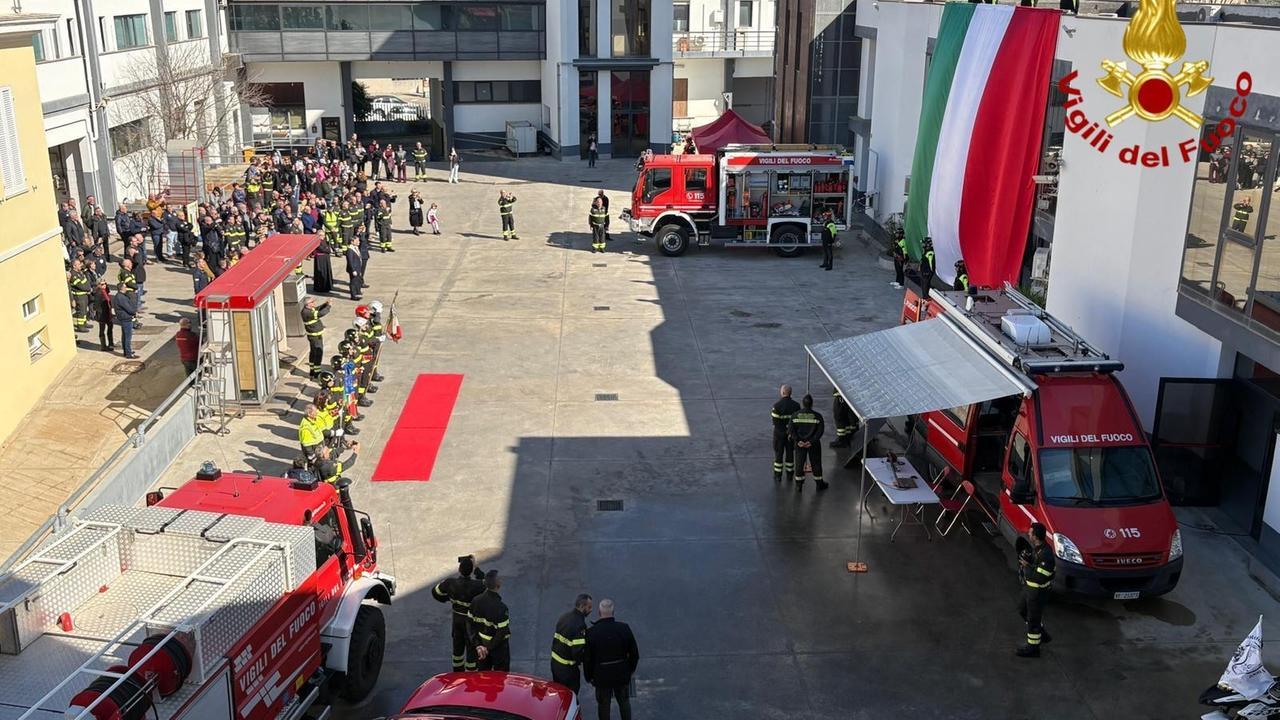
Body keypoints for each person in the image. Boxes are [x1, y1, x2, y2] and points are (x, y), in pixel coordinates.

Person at [584, 599, 639, 720]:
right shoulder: (624, 628)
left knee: (604, 706)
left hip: (601, 677)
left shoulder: (591, 633)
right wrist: (630, 670)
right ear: (613, 612)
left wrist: (589, 677)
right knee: (624, 702)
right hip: (622, 674)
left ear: (599, 612)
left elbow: (588, 659)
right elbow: (634, 654)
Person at [432, 555, 487, 671]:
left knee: (457, 649)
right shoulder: (478, 585)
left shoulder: (450, 583)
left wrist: (448, 598)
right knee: (471, 649)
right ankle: (470, 674)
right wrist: (476, 569)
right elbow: (488, 584)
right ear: (471, 571)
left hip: (457, 621)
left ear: (459, 570)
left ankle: (457, 674)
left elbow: (435, 592)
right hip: (471, 623)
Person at [1017, 523, 1056, 658]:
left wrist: (1027, 566)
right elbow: (1036, 565)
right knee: (1022, 610)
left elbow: (1040, 577)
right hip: (1030, 589)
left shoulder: (1046, 554)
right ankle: (1041, 633)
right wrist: (1029, 560)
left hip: (1038, 592)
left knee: (1033, 619)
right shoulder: (1038, 548)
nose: (1028, 534)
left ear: (1035, 536)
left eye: (1030, 533)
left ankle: (1033, 648)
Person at [469, 570, 511, 671]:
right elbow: (502, 632)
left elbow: (470, 624)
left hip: (481, 646)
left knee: (483, 675)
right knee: (500, 675)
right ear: (498, 584)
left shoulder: (475, 601)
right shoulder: (501, 608)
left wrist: (478, 645)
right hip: (499, 648)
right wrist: (489, 648)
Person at [551, 594, 593, 694]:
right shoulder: (580, 625)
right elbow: (577, 652)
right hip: (567, 670)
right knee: (571, 696)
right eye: (589, 607)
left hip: (555, 664)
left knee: (559, 694)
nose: (591, 610)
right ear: (582, 606)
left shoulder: (564, 617)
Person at [788, 394, 827, 491]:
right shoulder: (818, 416)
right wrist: (811, 441)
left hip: (800, 445)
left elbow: (791, 430)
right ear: (812, 404)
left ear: (803, 403)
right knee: (816, 463)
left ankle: (799, 485)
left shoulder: (795, 415)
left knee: (799, 463)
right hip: (814, 444)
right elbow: (820, 431)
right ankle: (819, 483)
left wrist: (798, 441)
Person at [770, 384, 801, 482]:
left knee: (778, 455)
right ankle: (789, 474)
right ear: (790, 393)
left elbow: (776, 423)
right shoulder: (796, 406)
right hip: (791, 436)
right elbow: (797, 422)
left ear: (782, 392)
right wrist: (790, 433)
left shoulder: (776, 406)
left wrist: (783, 432)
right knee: (790, 454)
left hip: (779, 436)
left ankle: (778, 475)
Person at [302, 296, 331, 378]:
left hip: (313, 336)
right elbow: (320, 313)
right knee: (318, 352)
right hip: (315, 336)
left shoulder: (308, 310)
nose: (314, 303)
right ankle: (317, 373)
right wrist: (329, 306)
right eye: (312, 302)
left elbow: (317, 309)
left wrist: (325, 304)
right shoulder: (308, 313)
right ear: (308, 304)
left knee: (313, 352)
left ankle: (312, 370)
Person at [111, 282, 139, 359]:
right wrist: (134, 312)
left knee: (125, 336)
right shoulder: (121, 298)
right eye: (125, 287)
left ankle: (126, 351)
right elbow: (128, 308)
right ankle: (128, 353)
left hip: (124, 318)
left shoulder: (120, 296)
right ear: (122, 288)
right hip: (126, 318)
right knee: (127, 337)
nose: (126, 288)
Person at [90, 279, 114, 352]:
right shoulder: (98, 293)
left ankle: (111, 344)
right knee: (102, 330)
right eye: (102, 284)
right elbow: (96, 305)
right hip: (102, 314)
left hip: (108, 313)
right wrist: (98, 312)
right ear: (98, 285)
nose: (104, 285)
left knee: (110, 328)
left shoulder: (105, 290)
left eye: (105, 284)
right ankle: (103, 346)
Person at [68, 259, 91, 333]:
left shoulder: (79, 273)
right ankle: (80, 326)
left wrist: (88, 287)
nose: (80, 265)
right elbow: (81, 286)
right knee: (81, 311)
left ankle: (84, 323)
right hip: (79, 296)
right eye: (78, 264)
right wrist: (88, 288)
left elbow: (86, 282)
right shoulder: (73, 275)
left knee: (84, 310)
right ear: (74, 266)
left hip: (84, 295)